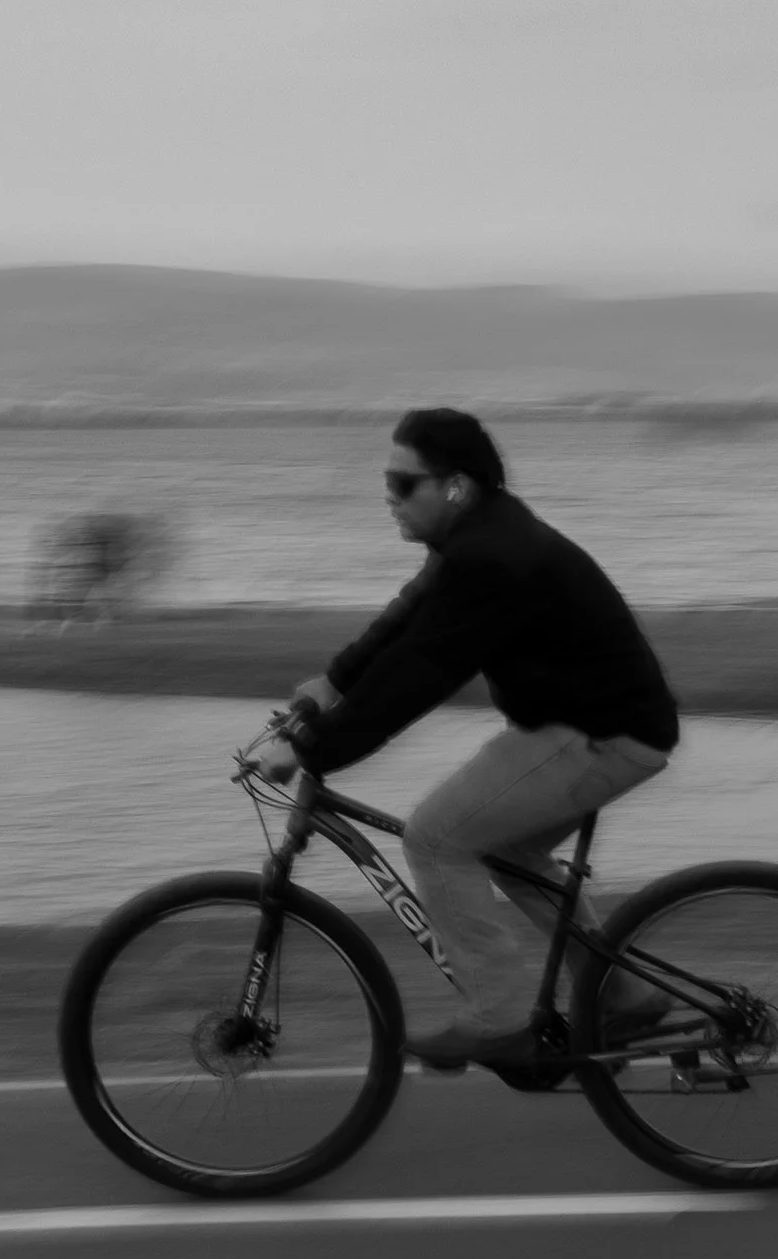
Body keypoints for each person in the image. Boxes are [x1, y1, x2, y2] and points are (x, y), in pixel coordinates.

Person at [258, 408, 681, 1070]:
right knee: (508, 849)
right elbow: (405, 624)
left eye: (403, 484)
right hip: (587, 725)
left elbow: (419, 675)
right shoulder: (474, 541)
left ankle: (499, 1020)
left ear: (455, 486)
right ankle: (624, 995)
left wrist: (311, 751)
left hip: (602, 735)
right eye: (386, 483)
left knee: (435, 836)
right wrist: (332, 686)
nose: (389, 499)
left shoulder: (491, 558)